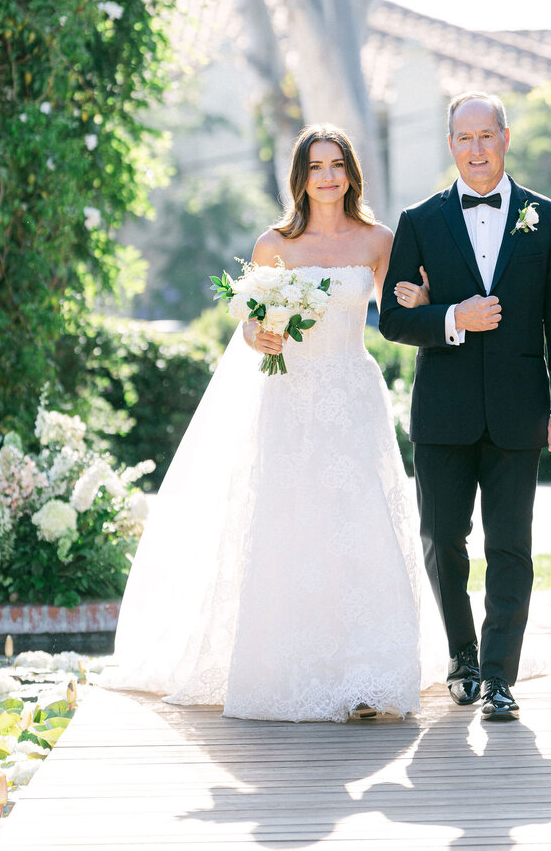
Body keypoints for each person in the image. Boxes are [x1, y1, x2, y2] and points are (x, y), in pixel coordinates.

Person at [102, 124, 433, 722]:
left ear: (351, 173)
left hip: (352, 394)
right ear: (300, 178)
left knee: (360, 523)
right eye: (316, 167)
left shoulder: (379, 239)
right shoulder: (275, 244)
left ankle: (369, 670)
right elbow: (251, 329)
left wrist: (417, 295)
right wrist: (262, 333)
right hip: (289, 399)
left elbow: (397, 315)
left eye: (337, 165)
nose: (327, 176)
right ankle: (288, 664)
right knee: (291, 526)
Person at [379, 91, 551, 722]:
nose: (476, 148)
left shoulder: (549, 220)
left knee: (510, 545)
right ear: (450, 146)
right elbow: (390, 318)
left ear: (505, 138)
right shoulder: (419, 220)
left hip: (520, 412)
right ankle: (462, 658)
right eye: (464, 138)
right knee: (443, 541)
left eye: (486, 136)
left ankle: (499, 676)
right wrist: (450, 318)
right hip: (442, 414)